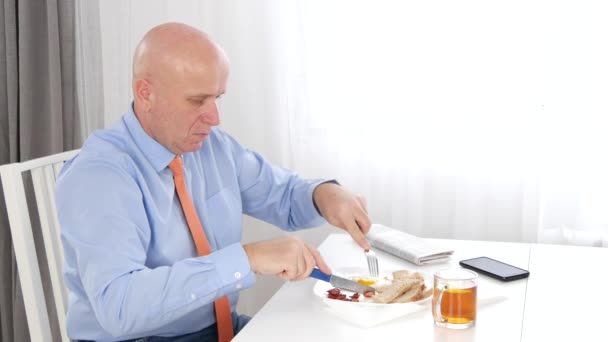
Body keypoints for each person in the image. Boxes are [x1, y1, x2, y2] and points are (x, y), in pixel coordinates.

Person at [56, 22, 371, 342]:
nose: (214, 118)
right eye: (197, 100)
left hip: (220, 330)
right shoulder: (99, 176)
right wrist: (249, 258)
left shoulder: (211, 147)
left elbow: (283, 194)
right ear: (145, 93)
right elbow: (120, 306)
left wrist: (325, 194)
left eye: (217, 98)